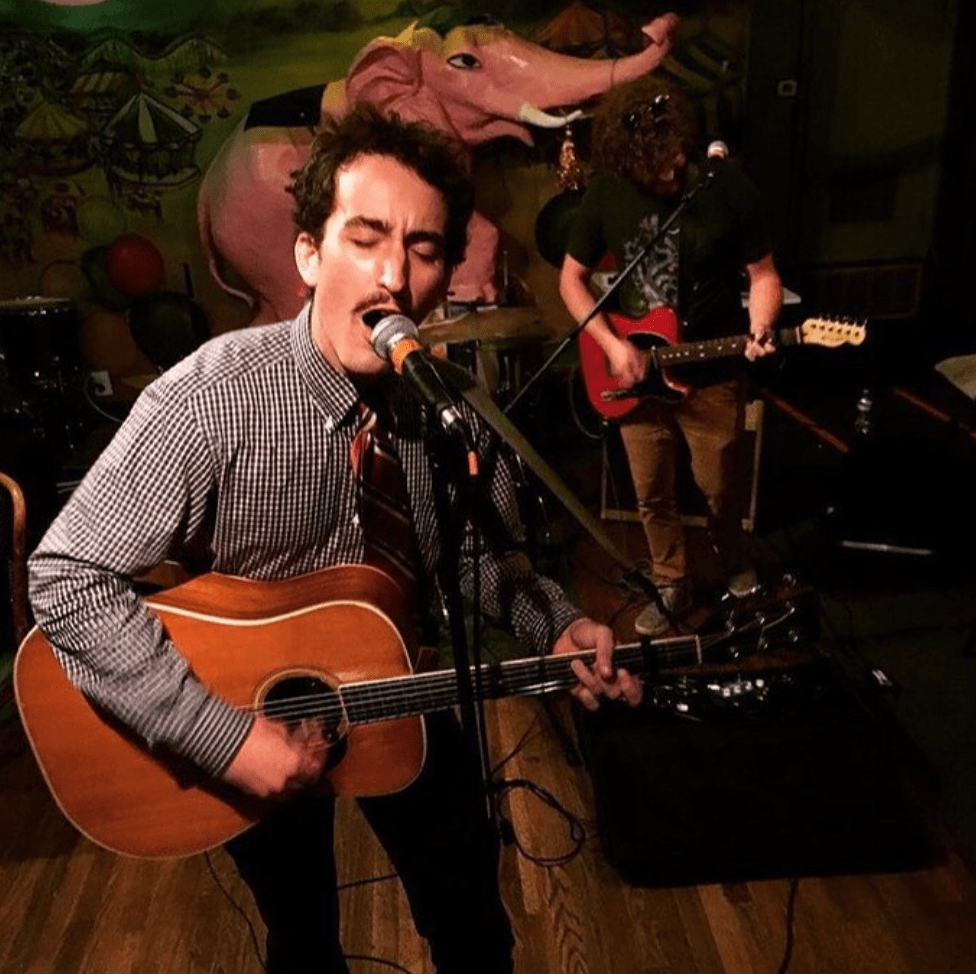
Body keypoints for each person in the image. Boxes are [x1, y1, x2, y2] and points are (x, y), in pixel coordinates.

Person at [28, 106, 640, 974]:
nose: (394, 275)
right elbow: (66, 575)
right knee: (303, 940)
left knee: (473, 925)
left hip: (404, 693)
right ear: (309, 255)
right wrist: (218, 737)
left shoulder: (447, 408)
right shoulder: (210, 397)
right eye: (366, 238)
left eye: (424, 249)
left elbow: (473, 557)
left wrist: (557, 623)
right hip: (246, 712)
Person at [559, 75, 783, 636]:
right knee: (652, 492)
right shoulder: (606, 193)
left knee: (719, 486)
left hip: (712, 369)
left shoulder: (725, 185)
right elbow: (570, 280)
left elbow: (764, 274)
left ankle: (732, 559)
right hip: (638, 374)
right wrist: (613, 346)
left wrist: (761, 323)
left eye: (676, 160)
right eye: (655, 170)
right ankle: (670, 581)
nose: (670, 175)